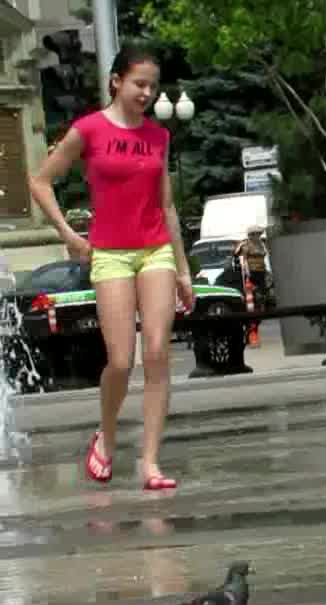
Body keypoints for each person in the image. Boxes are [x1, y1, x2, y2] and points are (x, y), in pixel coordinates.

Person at [28, 47, 195, 490]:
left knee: (157, 353)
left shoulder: (158, 136)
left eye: (152, 86)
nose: (147, 93)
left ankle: (150, 462)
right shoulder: (89, 129)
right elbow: (40, 181)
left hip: (155, 251)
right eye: (139, 83)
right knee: (120, 360)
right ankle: (107, 434)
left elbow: (167, 206)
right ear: (116, 81)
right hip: (110, 254)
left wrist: (183, 270)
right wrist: (69, 234)